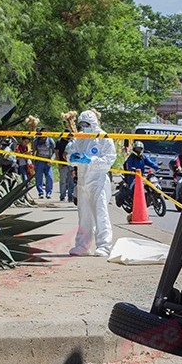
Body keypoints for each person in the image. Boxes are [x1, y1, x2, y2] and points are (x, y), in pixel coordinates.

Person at [68, 109, 117, 257]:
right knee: (84, 215)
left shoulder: (103, 138)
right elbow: (70, 154)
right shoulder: (80, 138)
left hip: (98, 182)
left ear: (93, 123)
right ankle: (83, 245)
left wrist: (91, 160)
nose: (84, 126)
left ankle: (104, 245)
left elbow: (110, 159)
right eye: (82, 124)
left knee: (100, 213)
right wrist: (73, 157)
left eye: (87, 124)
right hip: (83, 182)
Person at [116, 141, 158, 207]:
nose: (138, 150)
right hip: (132, 176)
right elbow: (129, 166)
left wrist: (157, 167)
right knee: (130, 189)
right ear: (134, 149)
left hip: (141, 175)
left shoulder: (143, 157)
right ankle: (120, 199)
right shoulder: (131, 157)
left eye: (139, 148)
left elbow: (150, 163)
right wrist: (132, 170)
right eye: (137, 148)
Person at [57, 111, 77, 202]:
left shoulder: (73, 142)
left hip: (71, 165)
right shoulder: (60, 141)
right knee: (63, 181)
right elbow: (61, 154)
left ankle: (70, 197)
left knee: (71, 181)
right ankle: (62, 196)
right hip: (63, 164)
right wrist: (60, 163)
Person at [33, 129, 55, 198]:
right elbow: (33, 151)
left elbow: (54, 151)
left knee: (49, 177)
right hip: (39, 161)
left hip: (47, 161)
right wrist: (33, 162)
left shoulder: (50, 140)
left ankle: (49, 192)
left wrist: (52, 159)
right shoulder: (36, 141)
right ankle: (40, 192)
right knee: (39, 177)